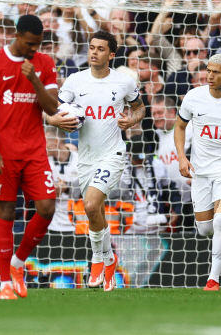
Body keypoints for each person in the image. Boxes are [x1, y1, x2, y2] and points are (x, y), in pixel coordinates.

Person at [0, 15, 65, 299]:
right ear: (16, 36)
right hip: (3, 152)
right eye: (29, 44)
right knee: (6, 213)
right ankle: (4, 283)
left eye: (37, 45)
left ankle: (17, 263)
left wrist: (35, 80)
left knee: (47, 208)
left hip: (35, 150)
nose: (33, 49)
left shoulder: (45, 64)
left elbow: (52, 109)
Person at [49, 30, 144, 291]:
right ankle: (110, 258)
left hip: (112, 154)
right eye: (91, 47)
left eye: (100, 49)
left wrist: (131, 120)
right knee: (96, 211)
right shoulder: (74, 81)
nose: (94, 52)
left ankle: (97, 260)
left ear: (111, 55)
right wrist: (57, 120)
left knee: (90, 206)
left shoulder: (124, 82)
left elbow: (140, 108)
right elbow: (54, 112)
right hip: (85, 156)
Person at [174, 54, 221, 291]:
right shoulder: (194, 97)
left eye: (216, 72)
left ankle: (213, 280)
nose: (209, 76)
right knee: (206, 229)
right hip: (200, 171)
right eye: (208, 70)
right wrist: (181, 157)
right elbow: (179, 127)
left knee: (219, 220)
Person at [45, 126, 79, 234]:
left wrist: (67, 188)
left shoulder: (80, 160)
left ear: (55, 142)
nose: (41, 145)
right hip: (53, 225)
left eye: (44, 141)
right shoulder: (44, 162)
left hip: (78, 225)